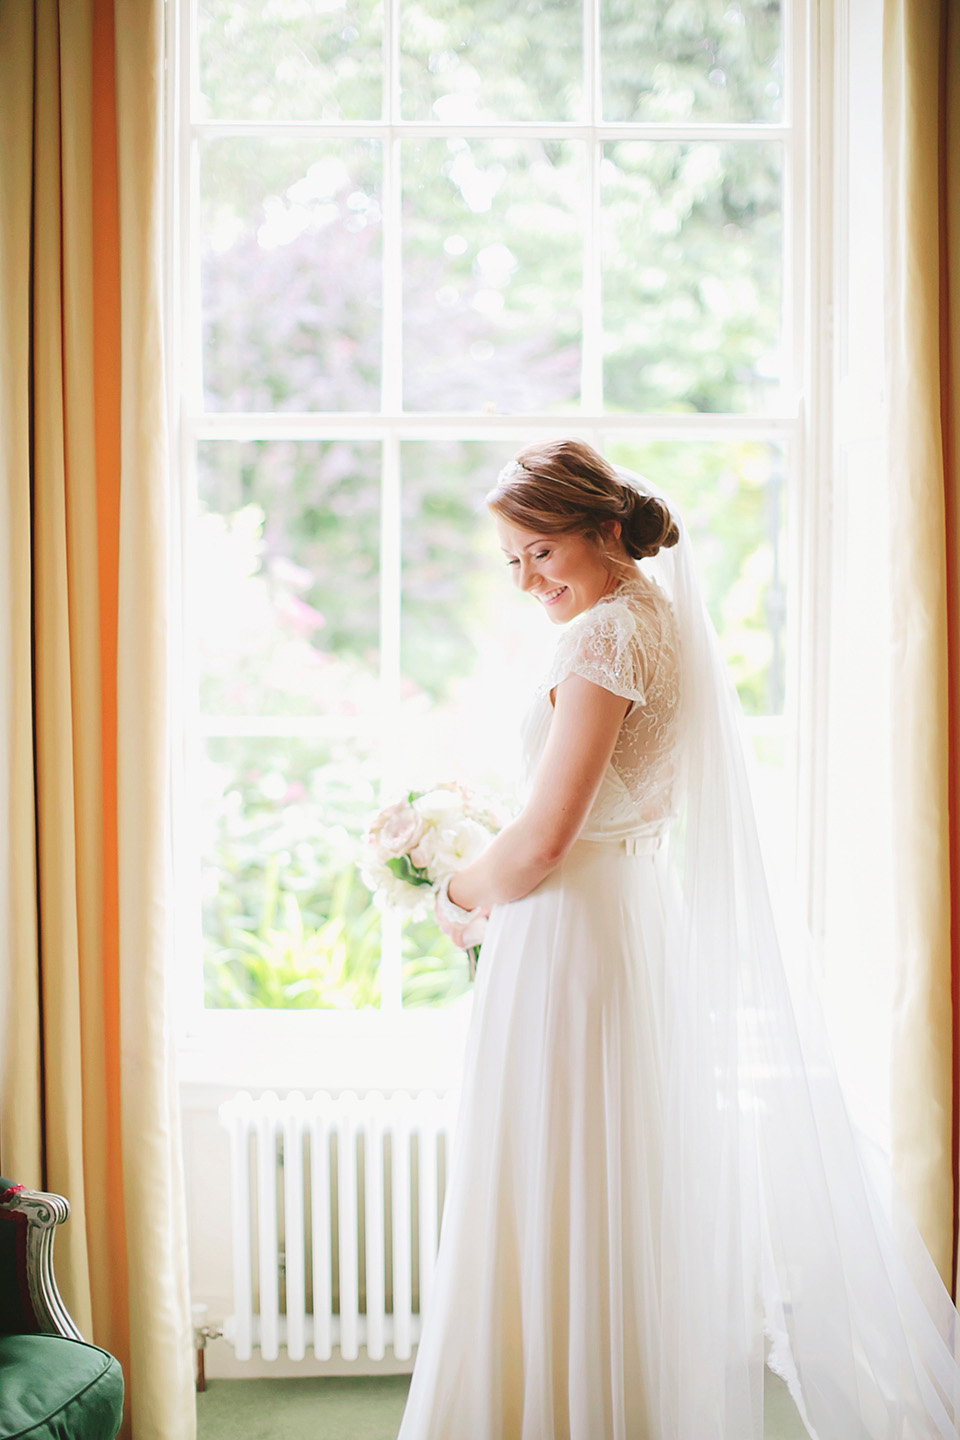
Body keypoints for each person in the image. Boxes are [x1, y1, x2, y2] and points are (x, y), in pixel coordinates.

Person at [395, 439, 960, 1440]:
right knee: (604, 1184)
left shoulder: (601, 639)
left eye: (542, 552)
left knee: (556, 1177)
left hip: (572, 935)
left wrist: (454, 886)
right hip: (626, 920)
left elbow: (545, 838)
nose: (527, 580)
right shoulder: (659, 622)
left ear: (605, 533)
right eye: (512, 561)